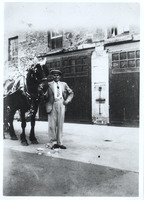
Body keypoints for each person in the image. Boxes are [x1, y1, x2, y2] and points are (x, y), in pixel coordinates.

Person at [45, 69, 74, 149]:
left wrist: (67, 100)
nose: (56, 76)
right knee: (52, 125)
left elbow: (71, 93)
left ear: (60, 76)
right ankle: (53, 143)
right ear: (52, 76)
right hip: (52, 104)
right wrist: (43, 93)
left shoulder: (64, 84)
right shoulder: (48, 84)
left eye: (58, 75)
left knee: (60, 124)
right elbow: (45, 96)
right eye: (54, 75)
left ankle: (60, 142)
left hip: (61, 104)